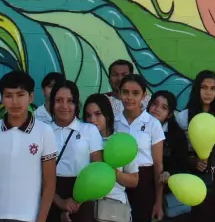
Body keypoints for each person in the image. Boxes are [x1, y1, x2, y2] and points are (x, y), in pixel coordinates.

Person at [0, 70, 58, 222]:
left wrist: (41, 219)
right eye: (9, 96)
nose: (15, 102)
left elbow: (49, 183)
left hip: (29, 217)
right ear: (2, 98)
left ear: (30, 97)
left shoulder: (44, 131)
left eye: (20, 95)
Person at [175, 70, 215, 221]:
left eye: (213, 89)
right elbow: (178, 152)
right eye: (204, 87)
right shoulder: (183, 117)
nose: (208, 93)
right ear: (196, 89)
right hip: (192, 178)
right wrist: (192, 161)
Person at [47, 80, 104, 222]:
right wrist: (58, 200)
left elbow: (98, 169)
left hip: (82, 197)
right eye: (59, 100)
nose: (64, 106)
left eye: (70, 101)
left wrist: (78, 200)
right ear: (52, 104)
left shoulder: (89, 130)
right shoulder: (43, 131)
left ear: (76, 104)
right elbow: (37, 172)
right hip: (49, 194)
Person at [114, 74, 165, 222]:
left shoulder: (152, 124)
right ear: (119, 93)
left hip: (144, 181)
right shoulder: (113, 121)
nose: (129, 97)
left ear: (144, 95)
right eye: (125, 92)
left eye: (135, 93)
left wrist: (158, 201)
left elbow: (158, 164)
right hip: (117, 180)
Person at [83, 93, 141, 222]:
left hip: (114, 206)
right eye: (88, 115)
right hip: (85, 206)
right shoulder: (80, 142)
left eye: (98, 114)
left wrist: (111, 172)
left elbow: (134, 181)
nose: (92, 119)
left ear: (107, 115)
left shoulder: (120, 142)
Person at [147, 90, 190, 220]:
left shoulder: (176, 135)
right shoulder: (138, 127)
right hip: (141, 185)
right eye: (154, 104)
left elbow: (182, 165)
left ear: (170, 114)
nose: (157, 109)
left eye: (164, 107)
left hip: (165, 190)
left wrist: (170, 173)